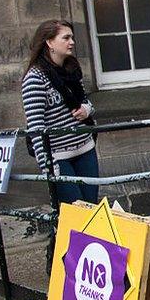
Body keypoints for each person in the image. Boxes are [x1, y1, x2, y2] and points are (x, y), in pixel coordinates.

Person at [22, 19, 99, 204]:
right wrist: (48, 166)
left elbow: (86, 102)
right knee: (74, 213)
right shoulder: (35, 79)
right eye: (66, 37)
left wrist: (87, 110)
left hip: (85, 148)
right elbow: (36, 128)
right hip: (59, 157)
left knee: (91, 209)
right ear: (49, 42)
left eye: (72, 37)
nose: (72, 42)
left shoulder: (72, 69)